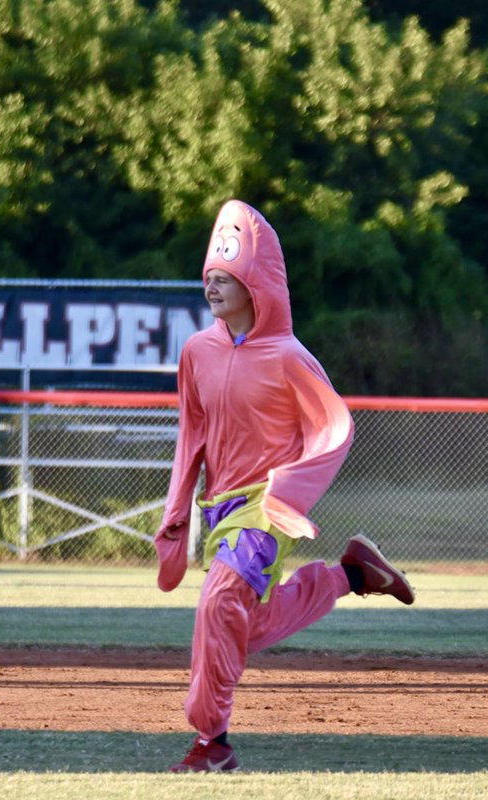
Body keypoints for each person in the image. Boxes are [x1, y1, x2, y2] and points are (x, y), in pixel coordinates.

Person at [154, 199, 415, 773]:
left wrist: (287, 493)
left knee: (220, 601)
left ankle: (212, 744)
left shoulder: (290, 356)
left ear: (257, 282)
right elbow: (190, 436)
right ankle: (352, 573)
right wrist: (176, 514)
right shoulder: (196, 352)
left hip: (265, 510)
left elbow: (334, 427)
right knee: (243, 624)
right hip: (220, 510)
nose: (213, 287)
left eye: (225, 277)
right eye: (209, 278)